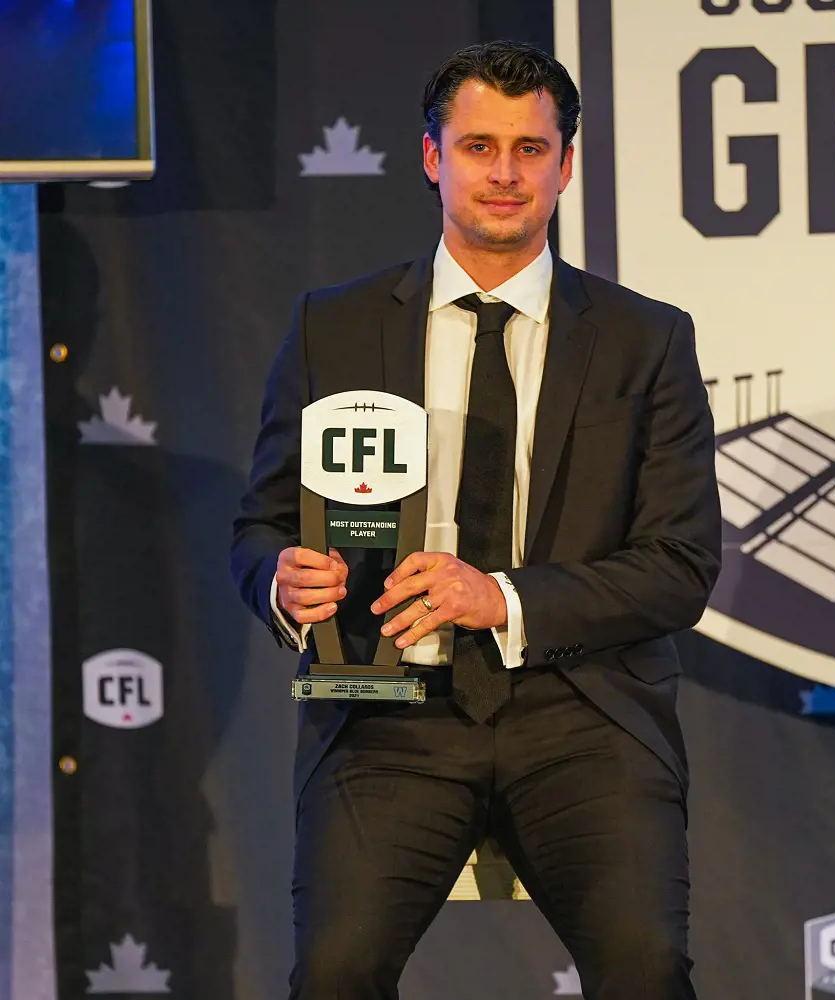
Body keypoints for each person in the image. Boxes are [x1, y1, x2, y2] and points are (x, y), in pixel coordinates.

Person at [231, 40, 721, 1000]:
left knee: (647, 971)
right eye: (479, 146)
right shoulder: (332, 324)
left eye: (531, 149)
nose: (505, 174)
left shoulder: (646, 337)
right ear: (431, 158)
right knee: (333, 975)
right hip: (387, 715)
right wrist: (285, 585)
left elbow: (680, 564)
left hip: (584, 715)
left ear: (567, 165)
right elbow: (260, 528)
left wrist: (497, 599)